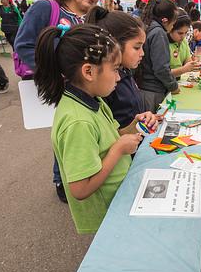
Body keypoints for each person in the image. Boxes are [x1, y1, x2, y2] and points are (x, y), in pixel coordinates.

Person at [34, 24, 143, 234]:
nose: (119, 77)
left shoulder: (94, 100)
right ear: (89, 71)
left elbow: (109, 139)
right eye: (115, 69)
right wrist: (118, 150)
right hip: (106, 213)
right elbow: (80, 189)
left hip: (118, 199)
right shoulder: (78, 122)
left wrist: (133, 126)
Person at [15, 0, 104, 203]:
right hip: (57, 86)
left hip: (78, 87)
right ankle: (61, 180)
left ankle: (77, 176)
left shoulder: (84, 18)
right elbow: (23, 44)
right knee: (64, 132)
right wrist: (55, 73)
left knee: (73, 134)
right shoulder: (46, 8)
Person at [85, 7, 159, 132]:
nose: (142, 53)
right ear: (116, 45)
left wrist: (143, 120)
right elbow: (107, 136)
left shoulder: (125, 71)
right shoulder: (104, 83)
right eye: (137, 47)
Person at [136, 0, 179, 112]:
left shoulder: (148, 26)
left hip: (144, 88)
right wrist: (173, 86)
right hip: (152, 91)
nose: (173, 26)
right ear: (165, 20)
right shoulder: (158, 33)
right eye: (173, 23)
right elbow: (161, 68)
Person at [168, 10, 201, 78]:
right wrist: (183, 69)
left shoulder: (184, 42)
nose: (183, 37)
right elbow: (163, 74)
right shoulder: (163, 43)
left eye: (186, 33)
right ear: (170, 28)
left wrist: (195, 65)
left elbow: (188, 62)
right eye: (180, 33)